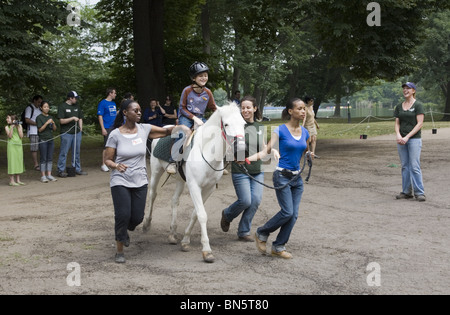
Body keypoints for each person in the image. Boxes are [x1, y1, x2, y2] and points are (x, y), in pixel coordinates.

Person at [104, 99, 184, 264]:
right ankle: (120, 249)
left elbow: (165, 132)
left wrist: (180, 127)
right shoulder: (115, 134)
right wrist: (116, 165)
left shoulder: (144, 129)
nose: (139, 113)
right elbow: (107, 160)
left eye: (140, 110)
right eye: (135, 110)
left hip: (140, 179)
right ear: (125, 113)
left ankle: (125, 231)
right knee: (122, 215)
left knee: (137, 218)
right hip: (120, 179)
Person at [250, 98, 311, 259]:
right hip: (282, 176)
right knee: (287, 212)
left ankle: (278, 246)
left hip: (297, 179)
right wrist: (248, 159)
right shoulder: (280, 130)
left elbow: (303, 149)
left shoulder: (305, 132)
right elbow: (265, 152)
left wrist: (309, 154)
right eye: (299, 108)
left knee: (294, 215)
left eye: (304, 108)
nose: (303, 111)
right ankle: (261, 232)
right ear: (291, 111)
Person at [221, 96, 266, 242]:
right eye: (243, 107)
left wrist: (274, 152)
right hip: (240, 170)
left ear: (255, 108)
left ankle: (243, 231)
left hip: (257, 170)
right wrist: (234, 156)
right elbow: (228, 147)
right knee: (245, 200)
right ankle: (227, 214)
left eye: (248, 107)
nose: (245, 110)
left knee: (255, 201)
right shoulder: (236, 125)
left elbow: (264, 148)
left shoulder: (260, 127)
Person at [166, 61, 217, 174]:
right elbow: (182, 108)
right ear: (194, 78)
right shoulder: (187, 90)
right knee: (183, 134)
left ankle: (214, 162)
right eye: (200, 76)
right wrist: (194, 118)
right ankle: (173, 161)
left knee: (213, 133)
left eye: (205, 75)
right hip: (186, 117)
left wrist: (223, 114)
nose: (204, 78)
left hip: (200, 117)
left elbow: (213, 107)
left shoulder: (208, 92)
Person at [394, 82, 426, 202]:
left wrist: (407, 137)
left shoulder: (418, 105)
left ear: (413, 91)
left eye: (408, 88)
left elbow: (420, 124)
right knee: (405, 166)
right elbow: (397, 123)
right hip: (401, 140)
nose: (405, 90)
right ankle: (406, 192)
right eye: (404, 88)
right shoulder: (399, 106)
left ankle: (420, 193)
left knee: (414, 166)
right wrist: (398, 135)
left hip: (414, 140)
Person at [57, 91, 87, 177]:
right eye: (75, 98)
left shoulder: (77, 106)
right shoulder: (62, 106)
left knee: (76, 151)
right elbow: (61, 121)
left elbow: (80, 118)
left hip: (77, 132)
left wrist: (80, 129)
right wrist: (72, 118)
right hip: (66, 133)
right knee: (64, 152)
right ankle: (60, 170)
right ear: (70, 98)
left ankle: (77, 168)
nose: (77, 100)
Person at [36, 101, 58, 183]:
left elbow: (55, 129)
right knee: (43, 158)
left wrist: (53, 123)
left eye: (48, 107)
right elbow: (40, 130)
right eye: (45, 107)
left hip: (50, 139)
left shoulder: (51, 117)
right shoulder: (39, 117)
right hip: (43, 139)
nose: (46, 108)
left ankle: (49, 174)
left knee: (50, 157)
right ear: (41, 108)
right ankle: (43, 176)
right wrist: (46, 123)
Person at [98, 87, 118, 172]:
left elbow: (113, 114)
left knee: (115, 145)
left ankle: (112, 162)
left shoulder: (113, 103)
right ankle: (103, 164)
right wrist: (103, 128)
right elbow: (100, 116)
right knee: (106, 146)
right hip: (107, 127)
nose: (115, 95)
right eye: (114, 93)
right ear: (110, 93)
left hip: (114, 127)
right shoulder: (102, 103)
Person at [5, 115, 25, 186]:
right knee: (12, 162)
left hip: (18, 145)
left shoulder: (19, 126)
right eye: (7, 118)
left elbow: (21, 136)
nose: (7, 119)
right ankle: (11, 180)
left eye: (8, 118)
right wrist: (12, 128)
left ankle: (18, 180)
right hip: (11, 146)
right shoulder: (7, 127)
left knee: (18, 161)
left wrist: (18, 127)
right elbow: (10, 136)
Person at [24, 95, 43, 171]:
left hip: (40, 131)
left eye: (40, 102)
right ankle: (36, 164)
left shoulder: (39, 109)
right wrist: (37, 124)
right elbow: (27, 120)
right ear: (34, 100)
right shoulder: (29, 108)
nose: (39, 103)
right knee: (34, 148)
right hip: (33, 131)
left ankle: (42, 163)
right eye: (38, 102)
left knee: (42, 147)